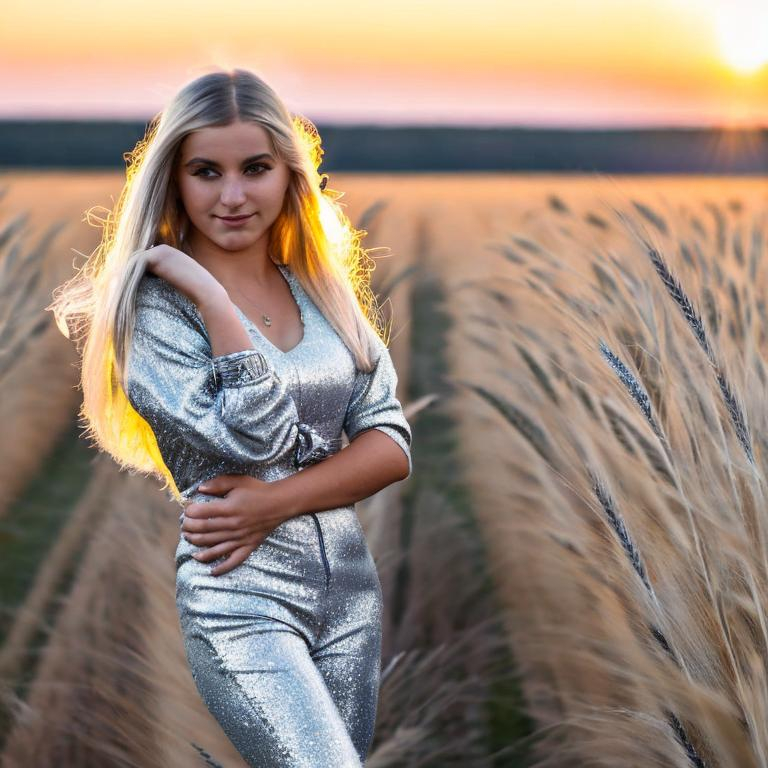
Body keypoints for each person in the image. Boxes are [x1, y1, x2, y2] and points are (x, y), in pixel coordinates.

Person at [48, 68, 413, 767]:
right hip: (241, 598)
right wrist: (215, 302)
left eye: (256, 168)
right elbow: (256, 437)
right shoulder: (156, 310)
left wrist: (273, 502)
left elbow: (391, 443)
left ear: (289, 177)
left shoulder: (324, 291)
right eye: (206, 171)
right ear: (175, 180)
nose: (234, 195)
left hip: (350, 600)